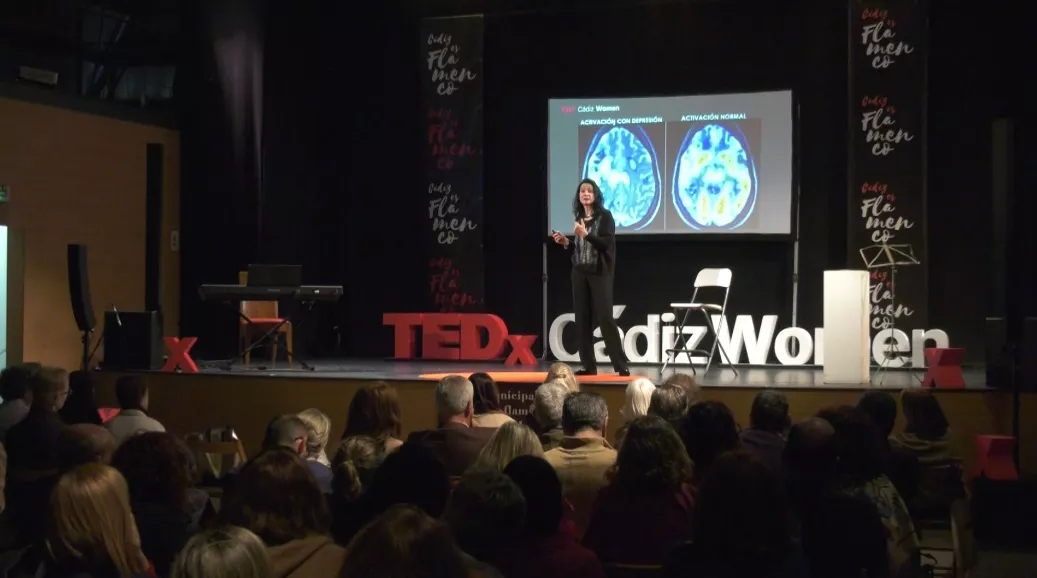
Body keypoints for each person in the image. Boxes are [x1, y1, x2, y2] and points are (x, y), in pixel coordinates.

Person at [552, 178, 629, 376]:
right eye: (582, 191)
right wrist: (566, 242)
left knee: (605, 317)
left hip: (599, 272)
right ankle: (588, 365)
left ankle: (620, 365)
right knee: (582, 318)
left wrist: (585, 234)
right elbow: (582, 247)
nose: (585, 194)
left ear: (595, 195)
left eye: (589, 191)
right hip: (579, 271)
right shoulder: (579, 216)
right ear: (578, 196)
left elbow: (606, 244)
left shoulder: (605, 216)